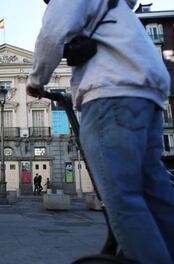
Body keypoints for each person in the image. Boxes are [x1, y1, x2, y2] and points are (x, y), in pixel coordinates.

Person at [26, 0, 174, 262]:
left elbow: (51, 35)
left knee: (121, 196)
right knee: (154, 191)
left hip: (112, 96)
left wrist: (36, 81)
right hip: (146, 95)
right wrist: (73, 95)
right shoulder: (117, 8)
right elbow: (107, 58)